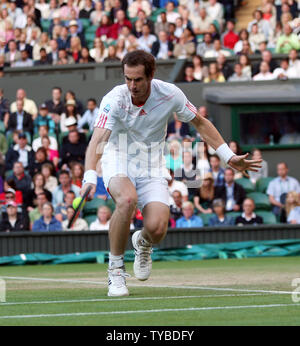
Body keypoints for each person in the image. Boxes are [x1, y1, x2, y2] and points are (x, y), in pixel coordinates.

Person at [80, 50, 261, 297]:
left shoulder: (170, 93)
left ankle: (142, 243)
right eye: (127, 79)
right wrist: (90, 175)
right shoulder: (114, 99)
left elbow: (200, 123)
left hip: (152, 164)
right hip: (117, 158)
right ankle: (116, 271)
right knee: (127, 201)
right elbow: (97, 139)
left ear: (151, 76)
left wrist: (228, 156)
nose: (132, 86)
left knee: (157, 229)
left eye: (138, 80)